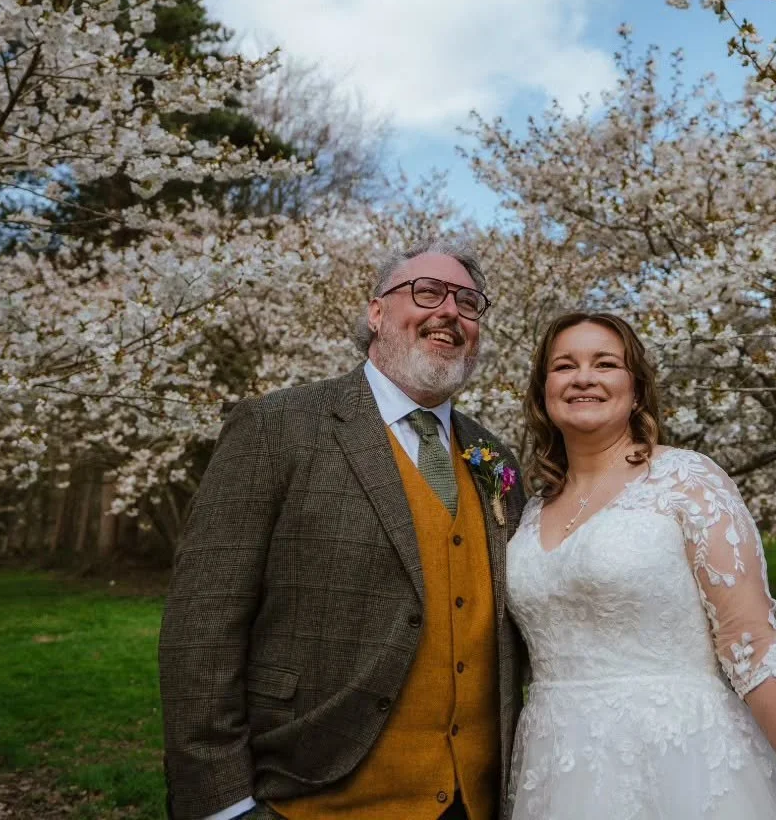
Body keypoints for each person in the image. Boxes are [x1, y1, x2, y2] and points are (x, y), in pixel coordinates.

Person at [159, 241, 526, 820]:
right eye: (426, 292)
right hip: (308, 793)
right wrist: (222, 804)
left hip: (472, 800)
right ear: (376, 313)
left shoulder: (493, 457)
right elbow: (203, 623)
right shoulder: (277, 427)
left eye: (469, 302)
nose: (450, 312)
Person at [505, 311, 776, 820]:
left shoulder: (687, 482)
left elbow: (754, 644)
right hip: (554, 766)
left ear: (636, 389)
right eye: (564, 366)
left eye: (605, 363)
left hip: (680, 761)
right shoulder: (531, 510)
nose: (583, 377)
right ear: (543, 392)